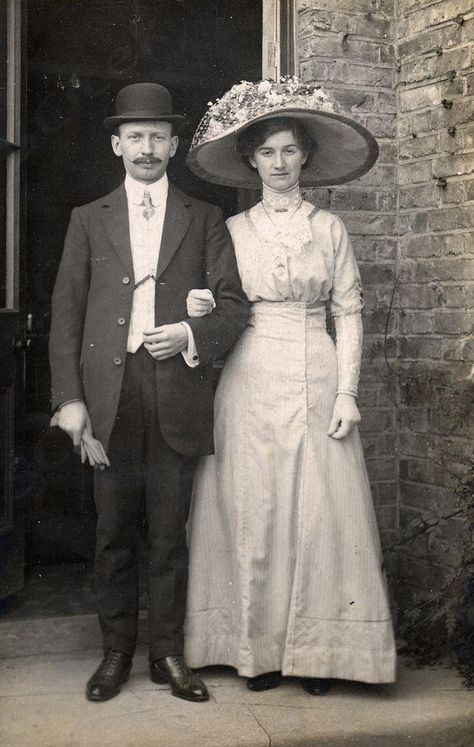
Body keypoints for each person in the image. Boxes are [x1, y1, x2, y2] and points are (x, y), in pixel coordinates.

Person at [183, 79, 397, 694]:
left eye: (290, 152)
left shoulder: (329, 229)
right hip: (250, 373)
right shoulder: (231, 228)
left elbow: (349, 311)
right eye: (268, 153)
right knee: (256, 507)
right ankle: (259, 650)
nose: (279, 164)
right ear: (251, 160)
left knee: (318, 512)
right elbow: (222, 306)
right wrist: (201, 306)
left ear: (306, 157)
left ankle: (321, 652)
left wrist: (347, 393)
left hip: (316, 367)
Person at [49, 82, 249, 703]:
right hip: (109, 394)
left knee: (168, 534)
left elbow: (235, 306)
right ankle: (116, 654)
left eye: (158, 136)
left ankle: (167, 654)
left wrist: (190, 331)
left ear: (174, 144)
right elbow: (67, 314)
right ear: (116, 145)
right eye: (134, 136)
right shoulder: (88, 219)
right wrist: (71, 400)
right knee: (112, 533)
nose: (146, 147)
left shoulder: (204, 217)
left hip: (175, 392)